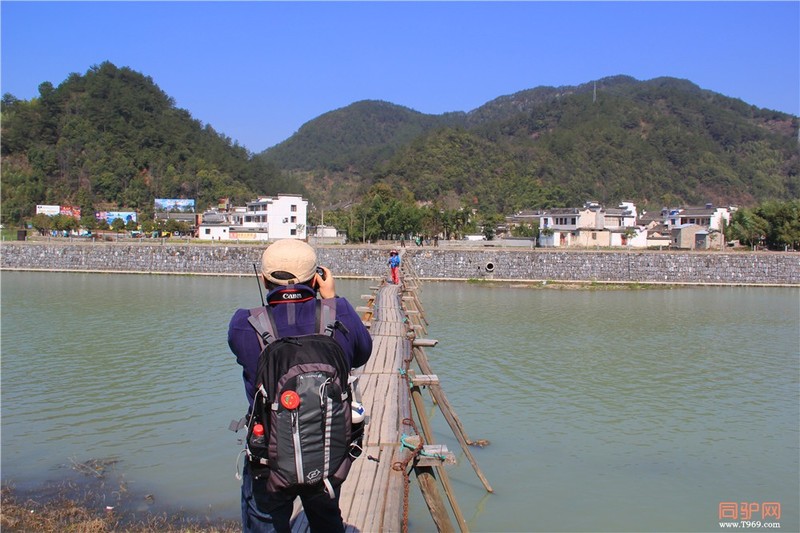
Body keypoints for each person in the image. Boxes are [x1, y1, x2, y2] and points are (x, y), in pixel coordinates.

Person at [228, 239, 373, 533]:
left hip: (268, 458)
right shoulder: (339, 312)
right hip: (328, 449)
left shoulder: (245, 324)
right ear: (316, 278)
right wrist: (331, 300)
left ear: (264, 278)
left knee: (265, 523)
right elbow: (362, 353)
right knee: (326, 521)